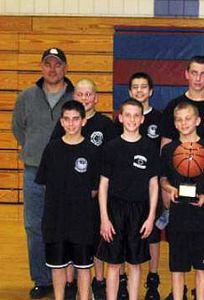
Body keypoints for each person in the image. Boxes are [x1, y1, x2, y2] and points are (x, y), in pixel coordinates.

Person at [12, 47, 74, 299]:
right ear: (41, 67)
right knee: (34, 226)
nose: (52, 69)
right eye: (48, 64)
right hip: (34, 171)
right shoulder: (26, 96)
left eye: (57, 64)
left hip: (68, 175)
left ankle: (69, 279)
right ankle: (42, 278)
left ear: (65, 68)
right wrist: (34, 150)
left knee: (69, 226)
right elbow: (18, 129)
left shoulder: (74, 97)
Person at [51, 78, 118, 300]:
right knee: (70, 240)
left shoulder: (106, 125)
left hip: (98, 193)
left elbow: (112, 160)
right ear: (74, 98)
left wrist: (101, 188)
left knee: (95, 240)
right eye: (80, 94)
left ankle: (98, 281)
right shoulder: (62, 129)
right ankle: (70, 284)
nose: (85, 98)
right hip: (71, 197)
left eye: (89, 94)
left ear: (96, 98)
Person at [35, 100, 100, 300]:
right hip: (56, 221)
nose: (71, 124)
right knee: (57, 267)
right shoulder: (52, 149)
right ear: (61, 122)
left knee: (83, 268)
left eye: (75, 119)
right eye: (67, 119)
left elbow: (95, 189)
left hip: (82, 222)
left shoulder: (92, 151)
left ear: (83, 121)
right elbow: (45, 183)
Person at [96, 99, 159, 300]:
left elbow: (154, 184)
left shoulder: (149, 147)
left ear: (142, 119)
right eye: (128, 115)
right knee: (114, 263)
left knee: (135, 263)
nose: (132, 119)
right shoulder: (111, 147)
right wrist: (104, 218)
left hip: (139, 210)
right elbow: (103, 185)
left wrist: (150, 217)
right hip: (114, 209)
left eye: (136, 115)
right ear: (120, 117)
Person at [160, 102, 204, 300]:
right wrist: (171, 190)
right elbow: (162, 179)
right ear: (175, 124)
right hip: (179, 217)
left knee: (202, 269)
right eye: (179, 119)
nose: (183, 123)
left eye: (188, 118)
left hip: (203, 217)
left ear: (197, 121)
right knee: (177, 269)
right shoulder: (169, 149)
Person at [115, 72, 163, 300]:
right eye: (135, 87)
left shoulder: (159, 118)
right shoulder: (120, 127)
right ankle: (122, 283)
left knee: (150, 237)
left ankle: (152, 280)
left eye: (144, 87)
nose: (140, 90)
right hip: (122, 195)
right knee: (121, 241)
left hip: (148, 190)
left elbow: (164, 151)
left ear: (151, 91)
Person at [160, 55, 204, 148]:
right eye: (194, 73)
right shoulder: (173, 106)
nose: (198, 78)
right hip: (179, 161)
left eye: (203, 74)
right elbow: (166, 143)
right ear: (187, 74)